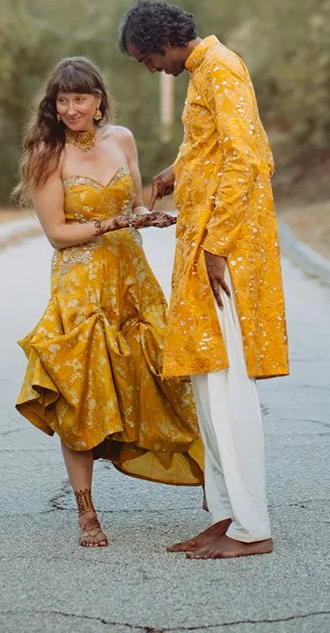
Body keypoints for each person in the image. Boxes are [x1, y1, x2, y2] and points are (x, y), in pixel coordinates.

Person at [118, 0, 289, 560]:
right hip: (203, 248)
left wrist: (218, 244)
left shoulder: (221, 67)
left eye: (147, 58)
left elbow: (249, 158)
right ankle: (224, 514)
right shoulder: (201, 75)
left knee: (227, 388)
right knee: (207, 385)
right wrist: (170, 176)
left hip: (226, 253)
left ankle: (253, 526)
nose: (151, 68)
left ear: (164, 42)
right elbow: (209, 148)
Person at [15, 56, 204, 548]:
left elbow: (135, 202)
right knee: (79, 390)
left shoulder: (121, 139)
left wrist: (148, 215)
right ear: (53, 105)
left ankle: (213, 481)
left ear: (99, 100)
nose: (71, 109)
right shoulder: (45, 153)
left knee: (164, 373)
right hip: (80, 285)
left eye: (80, 98)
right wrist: (112, 225)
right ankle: (86, 511)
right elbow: (57, 233)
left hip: (131, 278)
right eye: (62, 100)